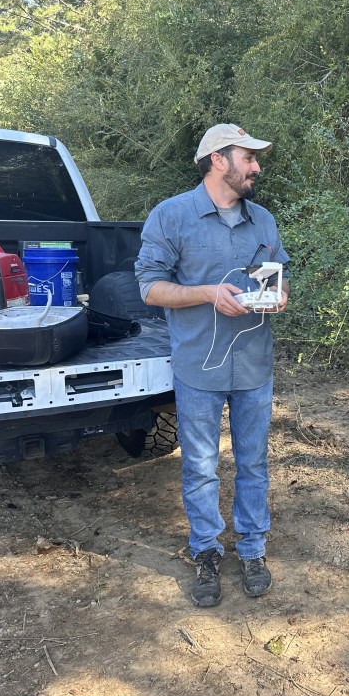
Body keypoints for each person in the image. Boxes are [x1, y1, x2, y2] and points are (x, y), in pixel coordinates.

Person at [135, 123, 290, 606]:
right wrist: (207, 294)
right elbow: (149, 286)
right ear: (218, 160)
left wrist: (280, 295)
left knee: (254, 463)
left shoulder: (262, 219)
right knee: (201, 466)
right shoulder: (172, 215)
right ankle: (205, 550)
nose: (256, 167)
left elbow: (279, 277)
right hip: (197, 367)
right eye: (249, 157)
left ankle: (252, 548)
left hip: (253, 366)